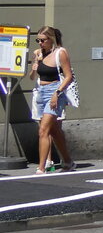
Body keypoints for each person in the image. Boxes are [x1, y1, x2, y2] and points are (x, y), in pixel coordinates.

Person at [28, 26, 75, 173]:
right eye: (38, 40)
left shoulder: (60, 53)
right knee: (54, 131)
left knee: (43, 130)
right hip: (40, 92)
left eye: (42, 40)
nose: (40, 43)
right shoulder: (38, 53)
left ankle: (41, 167)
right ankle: (67, 161)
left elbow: (68, 76)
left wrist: (57, 92)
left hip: (54, 92)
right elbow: (32, 77)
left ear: (51, 39)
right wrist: (35, 66)